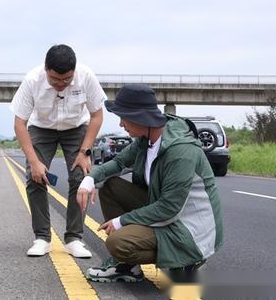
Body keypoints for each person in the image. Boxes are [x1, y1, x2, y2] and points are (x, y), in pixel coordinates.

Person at [77, 84, 223, 283]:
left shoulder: (180, 151)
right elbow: (119, 162)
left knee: (117, 242)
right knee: (110, 187)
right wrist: (89, 180)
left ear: (140, 117)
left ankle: (189, 260)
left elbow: (170, 208)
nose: (120, 124)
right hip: (168, 212)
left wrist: (121, 222)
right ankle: (129, 267)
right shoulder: (147, 138)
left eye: (123, 117)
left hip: (189, 229)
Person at [10, 44, 107, 258]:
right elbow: (20, 123)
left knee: (80, 178)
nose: (61, 84)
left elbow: (97, 116)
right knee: (34, 177)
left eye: (67, 80)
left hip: (76, 127)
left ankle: (74, 239)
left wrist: (85, 151)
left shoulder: (86, 76)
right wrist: (34, 161)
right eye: (55, 80)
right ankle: (42, 238)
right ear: (46, 70)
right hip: (41, 128)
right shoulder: (32, 80)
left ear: (74, 71)